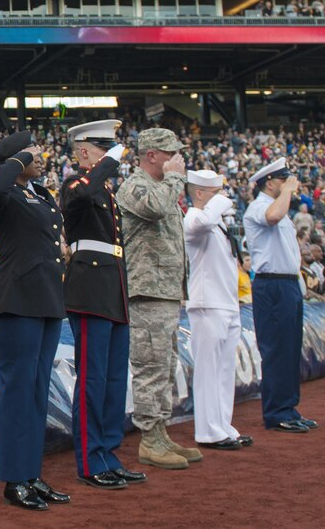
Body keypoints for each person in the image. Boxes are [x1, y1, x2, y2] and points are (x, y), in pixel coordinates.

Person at [0, 130, 70, 511]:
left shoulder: (38, 194)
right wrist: (17, 159)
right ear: (16, 161)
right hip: (16, 298)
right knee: (18, 389)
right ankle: (15, 478)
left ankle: (31, 473)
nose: (41, 159)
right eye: (33, 155)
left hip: (45, 297)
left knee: (36, 391)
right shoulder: (2, 193)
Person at [61, 120, 146, 490]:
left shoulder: (106, 191)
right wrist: (108, 163)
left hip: (112, 287)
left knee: (113, 380)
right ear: (84, 151)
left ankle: (108, 453)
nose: (112, 154)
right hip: (90, 287)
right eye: (103, 148)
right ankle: (90, 460)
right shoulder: (75, 184)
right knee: (92, 380)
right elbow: (81, 197)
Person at [116, 128, 202, 470]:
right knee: (150, 366)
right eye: (171, 154)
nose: (177, 160)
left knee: (165, 365)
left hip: (165, 290)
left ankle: (161, 431)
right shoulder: (136, 185)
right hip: (146, 290)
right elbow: (155, 208)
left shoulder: (162, 186)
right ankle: (149, 438)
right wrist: (175, 179)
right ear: (152, 155)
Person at [242, 157, 317, 432]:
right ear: (270, 182)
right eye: (284, 180)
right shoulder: (258, 208)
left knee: (290, 348)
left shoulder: (280, 207)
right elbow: (272, 217)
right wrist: (287, 192)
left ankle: (289, 407)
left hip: (287, 283)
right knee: (275, 349)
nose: (290, 185)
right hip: (271, 284)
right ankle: (276, 412)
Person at [183, 170, 252, 451]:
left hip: (227, 302)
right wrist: (219, 202)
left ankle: (224, 426)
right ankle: (208, 431)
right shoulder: (193, 218)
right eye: (215, 192)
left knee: (224, 371)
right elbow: (203, 220)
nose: (223, 198)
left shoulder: (217, 223)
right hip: (207, 303)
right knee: (208, 372)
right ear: (200, 193)